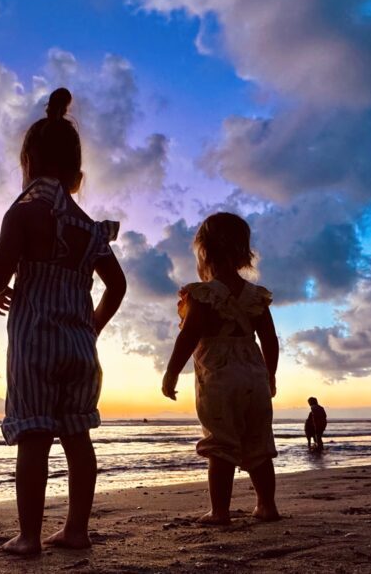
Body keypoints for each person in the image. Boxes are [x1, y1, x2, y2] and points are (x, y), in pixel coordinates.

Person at [0, 88, 127, 555]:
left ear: (27, 165)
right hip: (79, 348)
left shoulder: (25, 214)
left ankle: (29, 536)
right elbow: (118, 286)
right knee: (77, 437)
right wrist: (92, 327)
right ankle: (76, 530)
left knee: (35, 438)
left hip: (34, 345)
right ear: (77, 176)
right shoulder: (91, 230)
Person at [161, 212, 280, 525]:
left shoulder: (204, 295)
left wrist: (171, 372)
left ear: (204, 252)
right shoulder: (256, 296)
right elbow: (270, 340)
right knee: (258, 442)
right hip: (254, 375)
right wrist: (270, 374)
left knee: (220, 444)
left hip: (219, 376)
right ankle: (266, 505)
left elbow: (188, 336)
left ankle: (220, 511)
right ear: (243, 253)